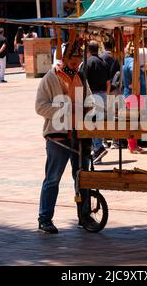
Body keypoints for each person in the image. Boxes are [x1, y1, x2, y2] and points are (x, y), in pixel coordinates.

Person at [35, 40, 96, 234]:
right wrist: (65, 109)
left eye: (78, 63)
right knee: (53, 179)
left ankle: (84, 216)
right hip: (58, 137)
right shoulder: (50, 78)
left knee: (83, 178)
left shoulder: (80, 77)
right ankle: (45, 218)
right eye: (73, 63)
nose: (76, 66)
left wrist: (89, 110)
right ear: (64, 60)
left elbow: (90, 102)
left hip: (80, 135)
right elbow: (40, 107)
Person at [86, 41, 111, 164]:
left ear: (89, 50)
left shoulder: (88, 63)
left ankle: (98, 147)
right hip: (103, 95)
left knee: (92, 123)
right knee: (98, 123)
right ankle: (97, 149)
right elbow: (108, 82)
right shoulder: (103, 62)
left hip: (93, 96)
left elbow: (84, 82)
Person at [123, 42, 146, 154]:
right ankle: (133, 146)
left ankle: (132, 145)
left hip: (131, 94)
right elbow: (133, 71)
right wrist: (135, 83)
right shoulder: (131, 61)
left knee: (133, 120)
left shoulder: (126, 61)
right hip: (133, 94)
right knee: (133, 121)